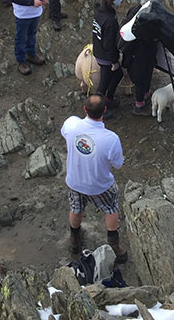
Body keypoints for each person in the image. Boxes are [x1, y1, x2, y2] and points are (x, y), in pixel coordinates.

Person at [61, 95, 126, 261]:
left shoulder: (71, 124)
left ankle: (75, 241)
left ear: (84, 109)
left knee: (75, 208)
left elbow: (65, 133)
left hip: (75, 181)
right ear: (104, 111)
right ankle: (114, 246)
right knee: (111, 209)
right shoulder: (111, 139)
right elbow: (118, 164)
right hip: (100, 185)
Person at [119, 0, 161, 117]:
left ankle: (146, 93)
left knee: (146, 74)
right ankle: (139, 104)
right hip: (139, 54)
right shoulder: (142, 18)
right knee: (141, 78)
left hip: (143, 53)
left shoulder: (134, 10)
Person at [93, 0, 123, 110]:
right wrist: (114, 61)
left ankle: (109, 98)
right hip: (105, 56)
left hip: (98, 50)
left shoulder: (99, 12)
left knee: (118, 74)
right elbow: (109, 44)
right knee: (102, 86)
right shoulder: (111, 21)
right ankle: (98, 110)